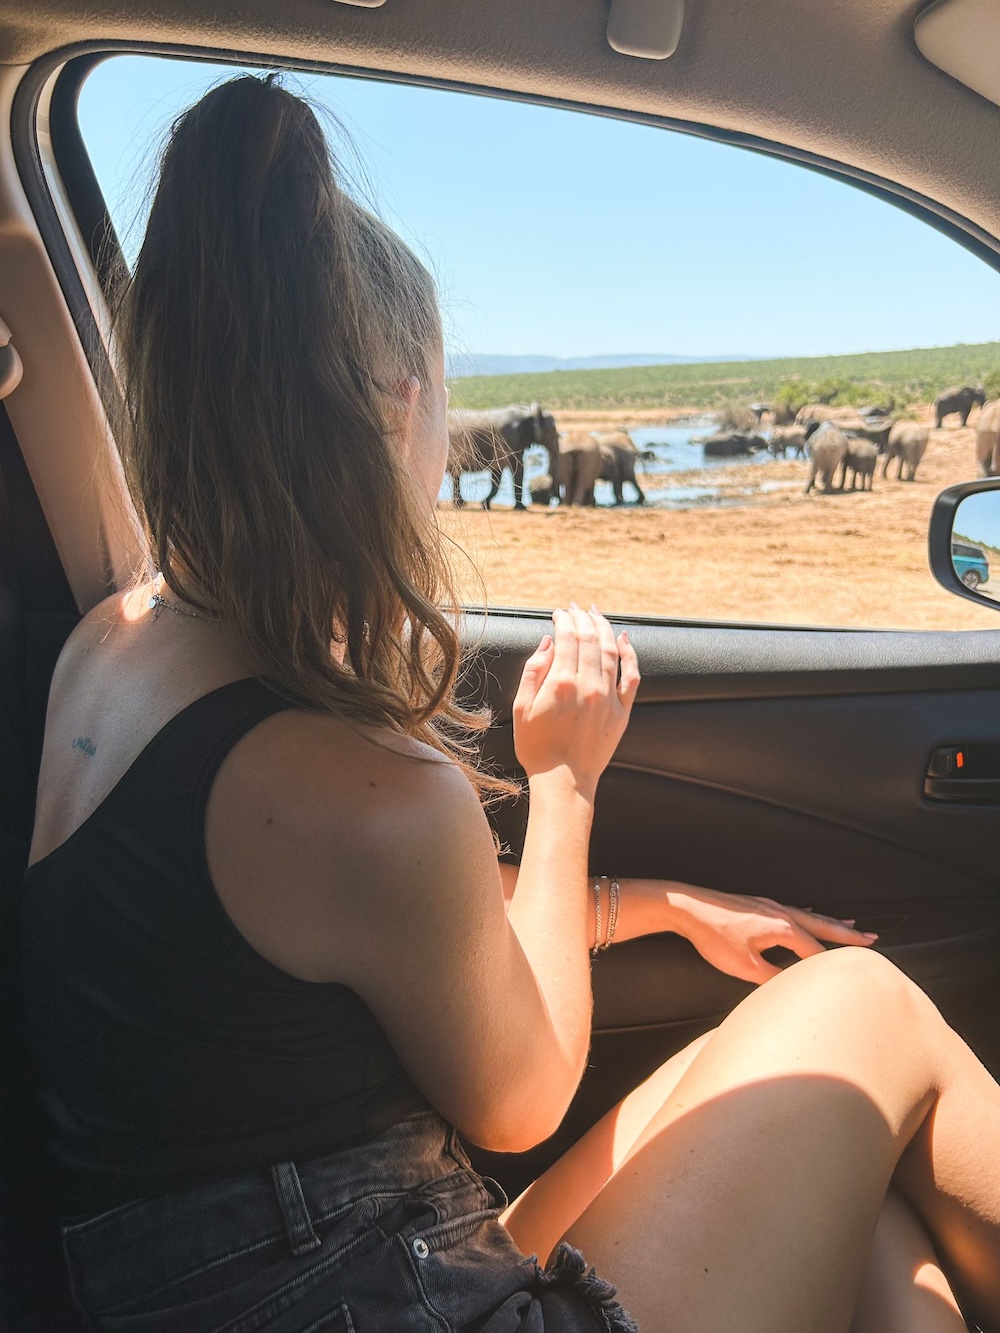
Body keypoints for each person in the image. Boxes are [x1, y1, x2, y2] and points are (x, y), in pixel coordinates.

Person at [22, 74, 1000, 1333]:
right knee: (859, 1008)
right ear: (396, 409)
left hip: (284, 1273)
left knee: (863, 1216)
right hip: (378, 1294)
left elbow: (319, 937)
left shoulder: (110, 647)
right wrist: (565, 781)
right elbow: (525, 1097)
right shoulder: (347, 780)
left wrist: (656, 907)